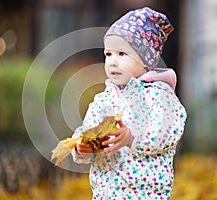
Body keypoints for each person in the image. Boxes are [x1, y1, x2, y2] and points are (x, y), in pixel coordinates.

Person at [71, 7, 187, 199]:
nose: (112, 62)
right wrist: (82, 147)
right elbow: (88, 128)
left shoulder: (159, 97)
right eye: (108, 54)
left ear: (146, 60)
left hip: (145, 194)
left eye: (122, 54)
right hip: (105, 194)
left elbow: (166, 133)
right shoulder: (103, 100)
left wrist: (131, 137)